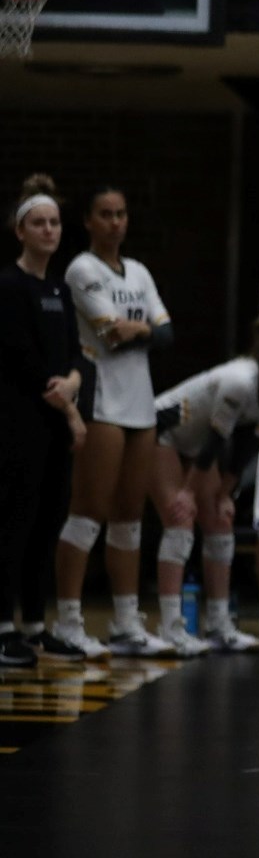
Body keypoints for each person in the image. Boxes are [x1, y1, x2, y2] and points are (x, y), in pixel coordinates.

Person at [45, 187, 175, 660]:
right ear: (88, 220)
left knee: (129, 517)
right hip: (102, 399)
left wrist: (139, 329)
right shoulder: (82, 269)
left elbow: (167, 333)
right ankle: (68, 621)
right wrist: (143, 330)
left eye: (121, 214)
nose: (115, 222)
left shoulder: (138, 271)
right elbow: (110, 334)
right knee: (88, 512)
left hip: (141, 401)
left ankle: (126, 622)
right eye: (105, 214)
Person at [149, 323, 259, 654]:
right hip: (162, 432)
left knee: (221, 523)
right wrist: (188, 493)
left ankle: (219, 623)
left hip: (195, 446)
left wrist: (225, 494)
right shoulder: (239, 381)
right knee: (180, 521)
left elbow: (248, 444)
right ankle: (170, 626)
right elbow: (215, 442)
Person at [0, 176, 87, 668]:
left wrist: (74, 379)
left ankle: (35, 624)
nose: (49, 230)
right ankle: (4, 628)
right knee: (15, 521)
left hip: (55, 420)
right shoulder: (9, 286)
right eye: (39, 223)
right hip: (20, 421)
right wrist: (71, 409)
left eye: (54, 222)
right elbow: (24, 358)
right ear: (21, 230)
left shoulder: (59, 288)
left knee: (47, 522)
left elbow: (74, 351)